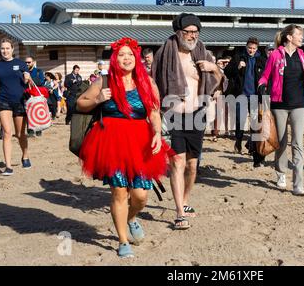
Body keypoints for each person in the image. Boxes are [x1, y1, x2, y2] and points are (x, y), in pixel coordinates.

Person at [77, 37, 173, 258]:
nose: (126, 58)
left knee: (140, 196)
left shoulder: (146, 81)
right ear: (115, 58)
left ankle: (131, 218)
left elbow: (154, 112)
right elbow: (80, 103)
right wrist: (97, 99)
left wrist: (157, 132)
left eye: (130, 54)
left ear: (136, 58)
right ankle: (122, 241)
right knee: (119, 192)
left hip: (140, 141)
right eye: (121, 55)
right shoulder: (104, 81)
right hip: (110, 141)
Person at [151, 13, 223, 229]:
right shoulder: (165, 54)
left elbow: (218, 83)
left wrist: (215, 69)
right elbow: (154, 83)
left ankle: (185, 200)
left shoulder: (203, 54)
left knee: (192, 165)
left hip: (197, 114)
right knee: (177, 163)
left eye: (195, 32)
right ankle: (180, 212)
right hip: (173, 114)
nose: (191, 36)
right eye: (187, 32)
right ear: (178, 33)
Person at [258, 24, 304, 196]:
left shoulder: (303, 56)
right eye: (299, 35)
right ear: (289, 37)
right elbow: (265, 76)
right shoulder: (275, 55)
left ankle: (298, 184)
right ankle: (281, 173)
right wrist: (262, 85)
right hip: (279, 104)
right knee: (281, 142)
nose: (302, 38)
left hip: (299, 103)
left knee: (298, 143)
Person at [224, 37, 267, 167]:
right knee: (240, 120)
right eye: (249, 48)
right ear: (246, 47)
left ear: (257, 48)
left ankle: (252, 146)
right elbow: (227, 72)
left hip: (255, 95)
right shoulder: (238, 57)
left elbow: (266, 75)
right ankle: (238, 140)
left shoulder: (262, 60)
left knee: (254, 122)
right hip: (240, 94)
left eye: (254, 49)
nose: (251, 50)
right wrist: (237, 67)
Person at [0, 39, 32, 176]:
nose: (5, 51)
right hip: (3, 102)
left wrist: (27, 77)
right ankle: (8, 166)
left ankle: (25, 156)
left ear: (12, 49)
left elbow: (28, 82)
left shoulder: (21, 64)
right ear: (0, 50)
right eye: (2, 48)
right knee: (7, 133)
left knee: (20, 134)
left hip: (20, 102)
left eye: (7, 48)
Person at [25, 56, 45, 137]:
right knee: (28, 113)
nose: (27, 64)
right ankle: (30, 131)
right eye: (25, 62)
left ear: (33, 62)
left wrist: (30, 79)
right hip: (27, 95)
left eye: (29, 62)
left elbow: (41, 82)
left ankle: (38, 130)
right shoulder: (24, 71)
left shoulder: (38, 71)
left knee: (38, 112)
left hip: (36, 95)